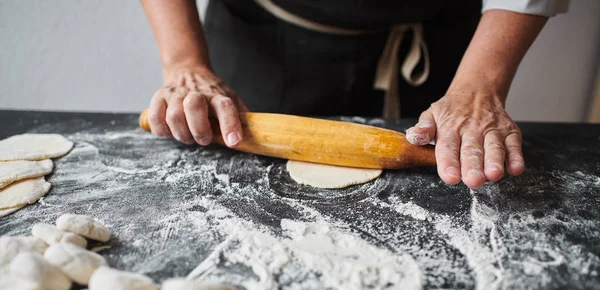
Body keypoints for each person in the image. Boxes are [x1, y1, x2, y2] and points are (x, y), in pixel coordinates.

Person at [140, 0, 570, 189]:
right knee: (236, 147)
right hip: (267, 39)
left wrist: (480, 85)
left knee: (446, 146)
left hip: (436, 37)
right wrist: (184, 62)